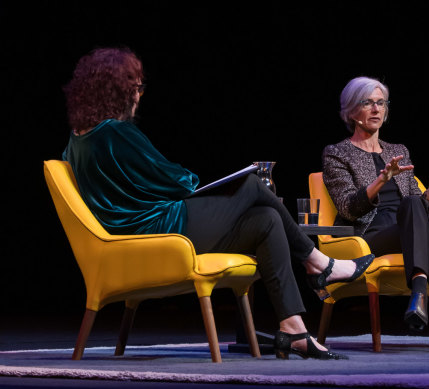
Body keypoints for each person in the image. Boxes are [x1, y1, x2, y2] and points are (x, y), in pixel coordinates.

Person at [61, 47, 374, 360]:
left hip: (140, 233)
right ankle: (318, 263)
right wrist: (188, 178)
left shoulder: (77, 142)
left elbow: (125, 190)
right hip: (160, 229)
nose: (139, 97)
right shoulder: (116, 133)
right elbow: (176, 181)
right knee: (252, 183)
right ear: (118, 91)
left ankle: (292, 328)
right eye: (137, 89)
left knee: (266, 220)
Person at [322, 76, 429, 352]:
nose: (376, 109)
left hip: (407, 230)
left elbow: (420, 205)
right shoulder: (337, 153)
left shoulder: (398, 151)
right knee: (427, 219)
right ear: (351, 111)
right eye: (367, 103)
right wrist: (381, 180)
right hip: (369, 237)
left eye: (381, 103)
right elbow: (347, 207)